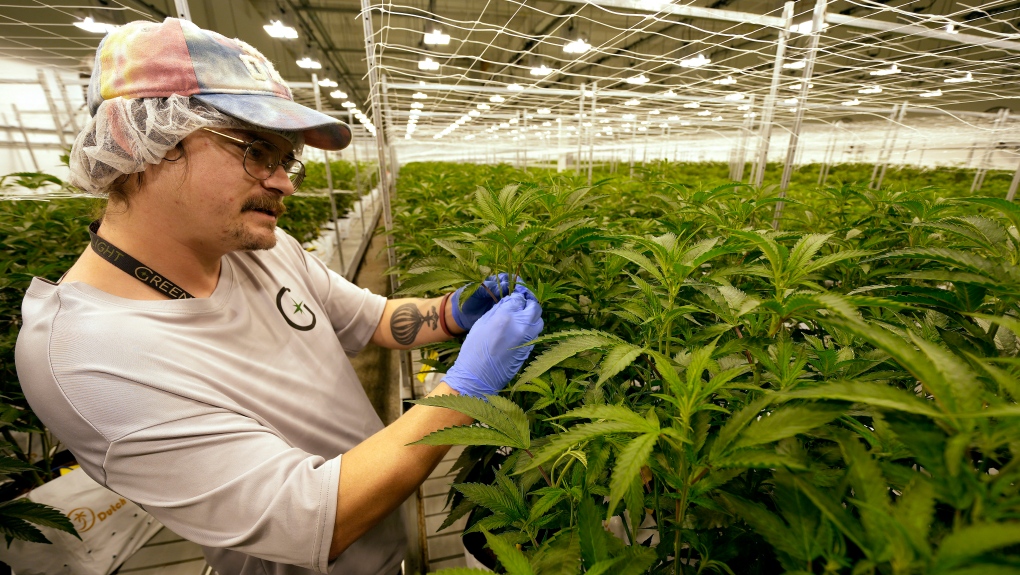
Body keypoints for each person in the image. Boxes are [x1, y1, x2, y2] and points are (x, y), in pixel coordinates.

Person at [14, 17, 543, 575]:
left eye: (285, 158)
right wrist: (466, 388)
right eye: (255, 151)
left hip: (393, 547)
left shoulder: (259, 248)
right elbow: (315, 517)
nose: (285, 181)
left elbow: (379, 321)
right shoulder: (84, 357)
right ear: (142, 141)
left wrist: (452, 312)